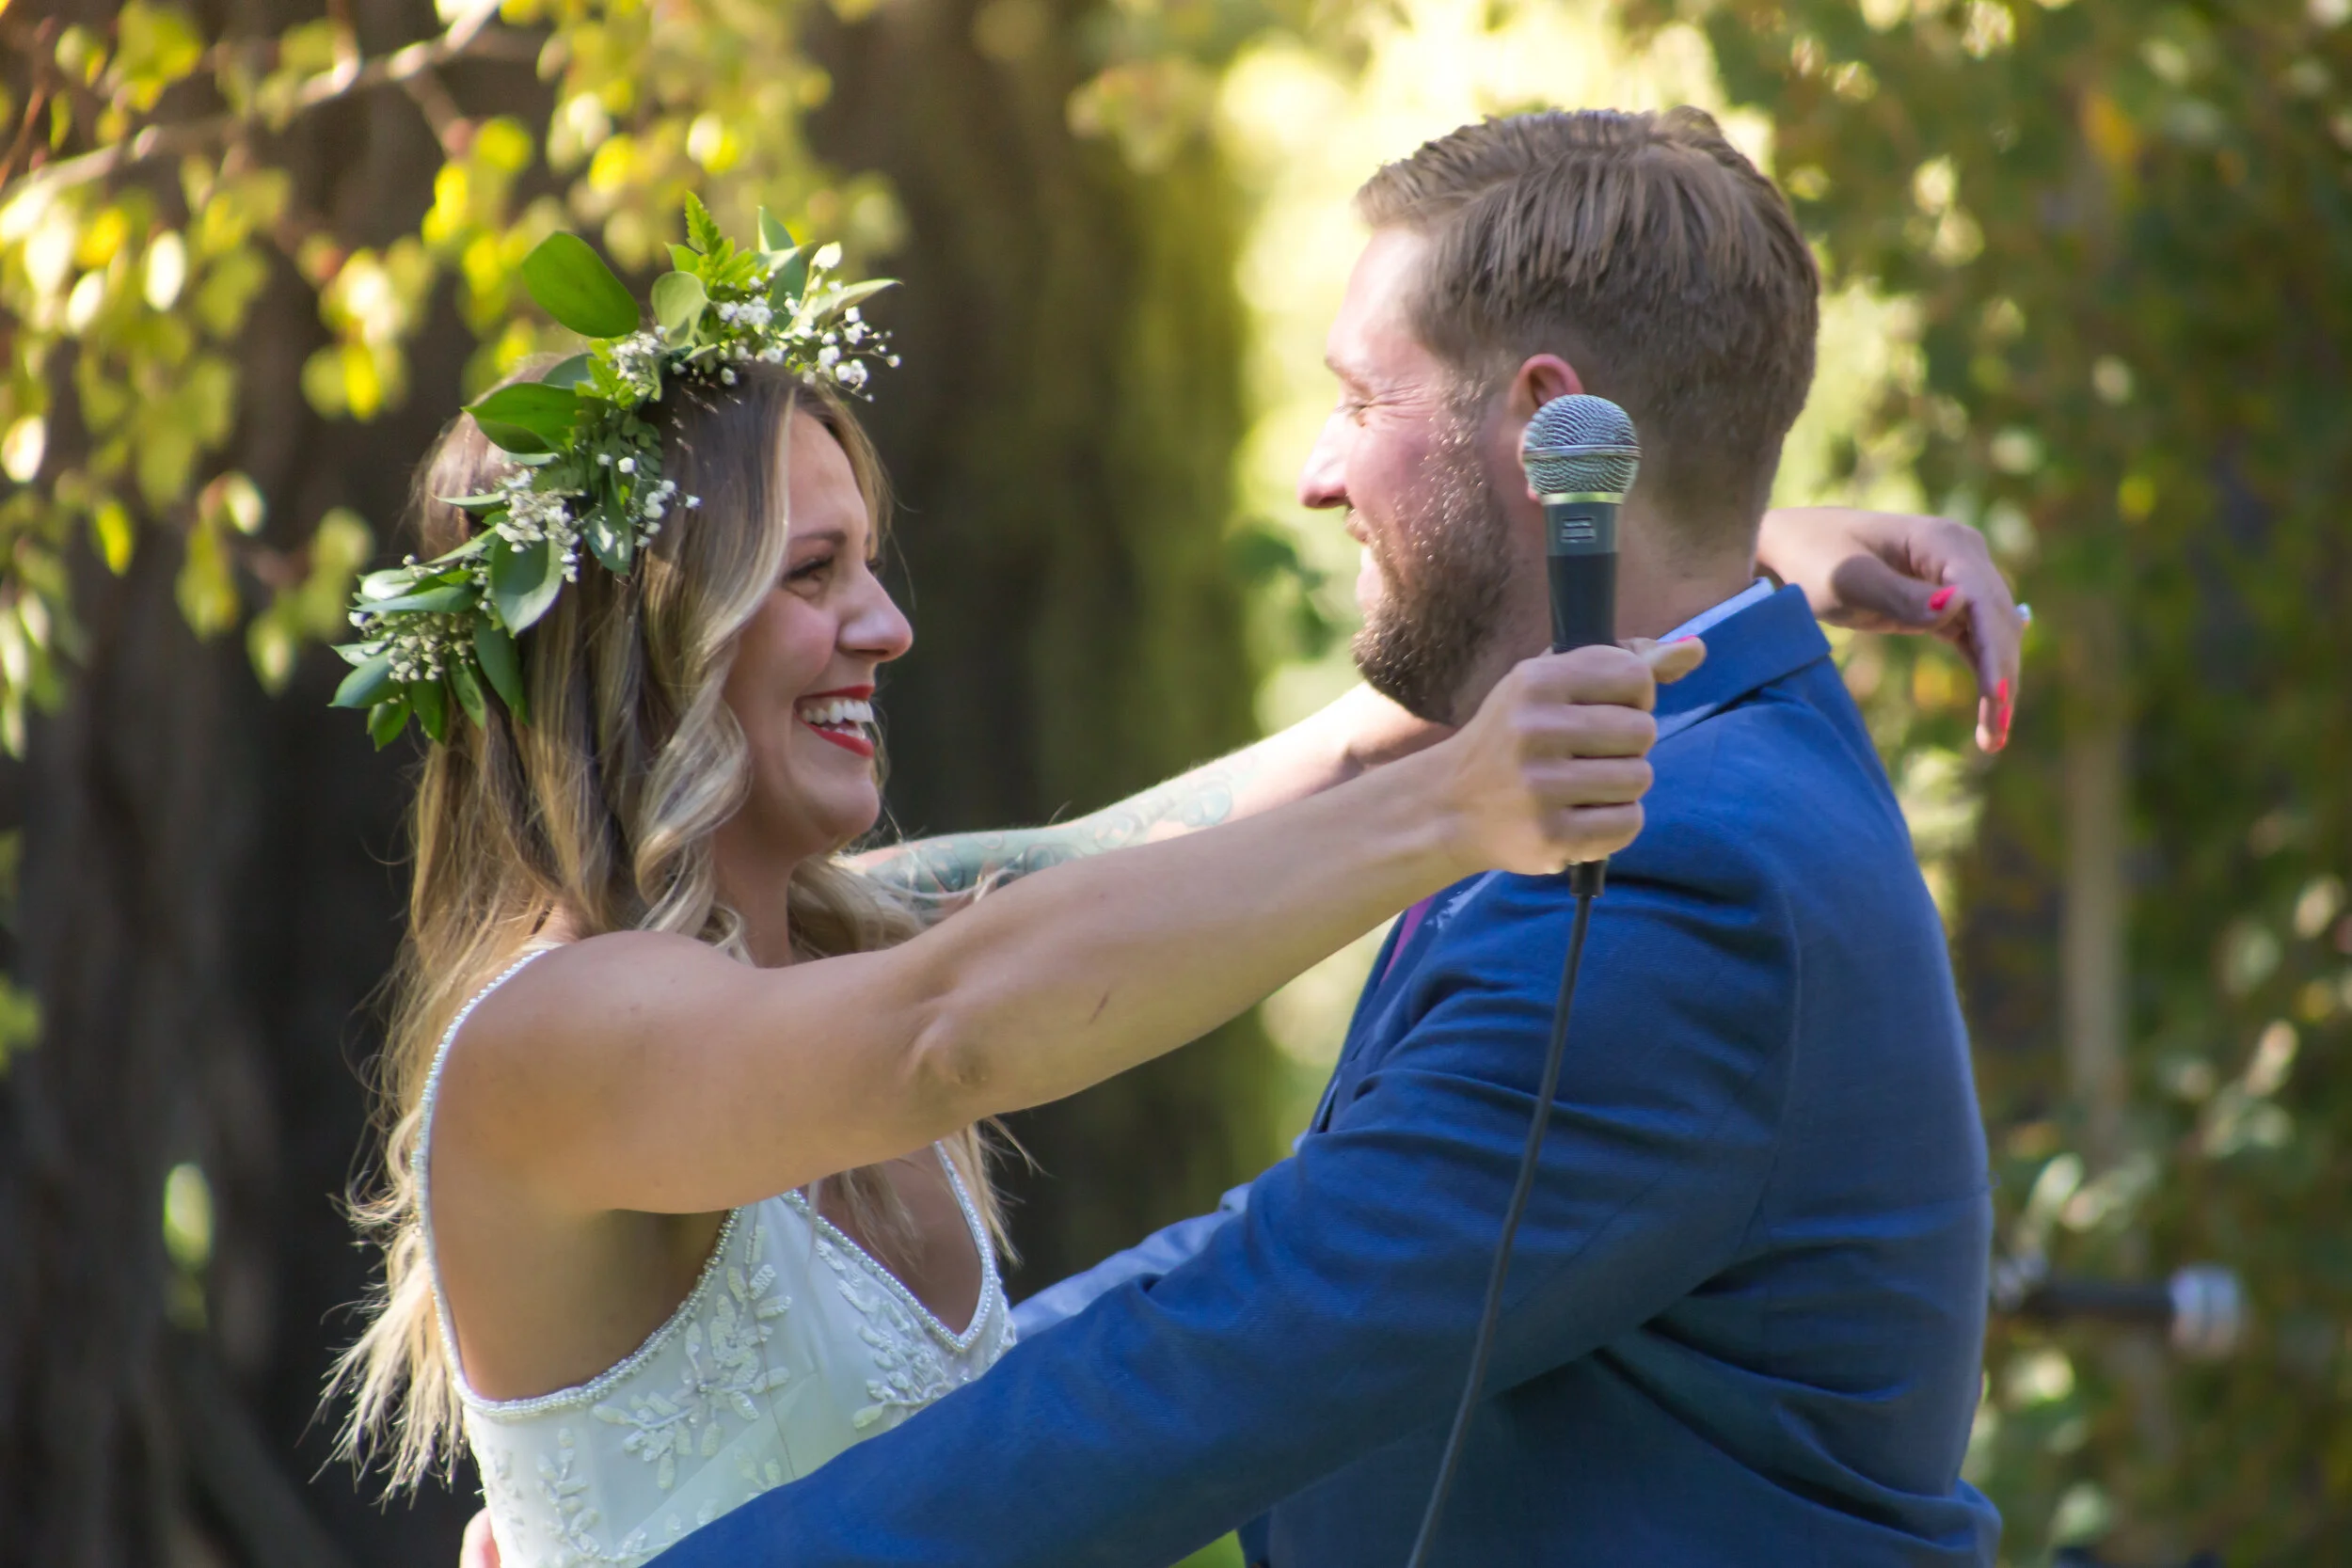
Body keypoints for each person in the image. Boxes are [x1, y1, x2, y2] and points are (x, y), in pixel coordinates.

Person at [635, 107, 2007, 1568]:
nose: (1315, 472)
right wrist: (727, 1471)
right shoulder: (1695, 757)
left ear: (1550, 428)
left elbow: (1222, 1353)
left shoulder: (1675, 877)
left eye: (1360, 399)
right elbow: (1236, 1272)